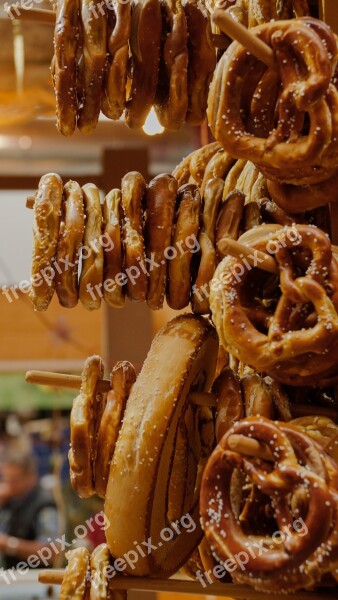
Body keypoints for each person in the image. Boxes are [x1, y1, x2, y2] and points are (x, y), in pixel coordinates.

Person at [0, 450, 59, 569]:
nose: (9, 485)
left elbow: (52, 552)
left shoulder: (44, 504)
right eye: (6, 479)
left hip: (34, 581)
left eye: (15, 480)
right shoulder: (8, 499)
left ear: (31, 477)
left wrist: (9, 545)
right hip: (9, 579)